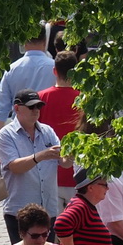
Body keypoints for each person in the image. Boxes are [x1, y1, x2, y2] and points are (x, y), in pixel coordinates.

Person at [0, 90, 64, 241]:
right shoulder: (6, 134)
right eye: (31, 107)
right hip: (19, 212)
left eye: (38, 107)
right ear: (17, 108)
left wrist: (72, 153)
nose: (36, 111)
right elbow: (14, 167)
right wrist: (41, 155)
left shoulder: (47, 131)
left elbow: (64, 163)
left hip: (48, 210)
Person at [0, 26, 57, 129]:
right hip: (49, 129)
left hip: (19, 130)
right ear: (45, 42)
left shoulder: (12, 69)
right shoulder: (55, 68)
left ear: (23, 42)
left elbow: (1, 108)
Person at [54, 176, 118, 245]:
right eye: (104, 185)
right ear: (90, 187)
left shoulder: (85, 205)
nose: (107, 188)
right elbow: (62, 224)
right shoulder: (80, 205)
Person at [39, 49, 85, 188]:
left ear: (54, 71)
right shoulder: (85, 100)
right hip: (79, 174)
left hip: (48, 174)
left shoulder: (40, 98)